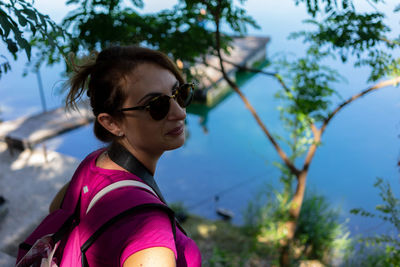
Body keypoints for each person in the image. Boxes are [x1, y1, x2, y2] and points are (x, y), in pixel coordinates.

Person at [49, 46, 201, 267]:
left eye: (179, 93)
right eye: (157, 106)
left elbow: (56, 211)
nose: (180, 113)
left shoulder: (94, 164)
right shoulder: (148, 230)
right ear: (111, 123)